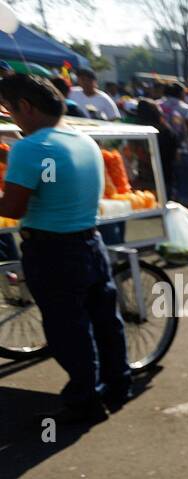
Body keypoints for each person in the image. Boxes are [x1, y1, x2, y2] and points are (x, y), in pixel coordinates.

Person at [0, 73, 131, 423]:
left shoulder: (29, 148)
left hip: (52, 251)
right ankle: (118, 384)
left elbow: (13, 208)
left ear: (26, 107)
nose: (11, 118)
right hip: (90, 242)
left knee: (67, 329)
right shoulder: (83, 140)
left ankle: (85, 400)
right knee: (104, 320)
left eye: (10, 111)